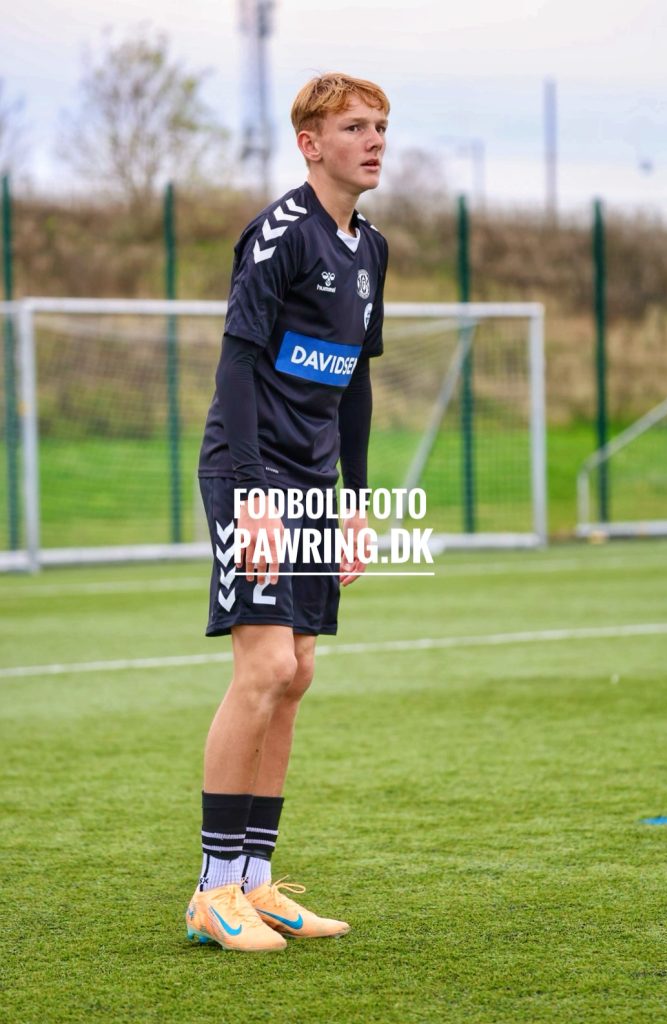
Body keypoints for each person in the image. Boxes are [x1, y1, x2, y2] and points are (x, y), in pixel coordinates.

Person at [186, 72, 390, 952]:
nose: (373, 141)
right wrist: (253, 494)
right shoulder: (278, 235)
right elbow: (236, 364)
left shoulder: (371, 248)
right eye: (354, 127)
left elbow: (354, 385)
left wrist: (354, 503)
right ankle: (211, 892)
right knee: (264, 665)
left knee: (298, 671)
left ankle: (256, 881)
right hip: (253, 471)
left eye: (379, 126)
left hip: (312, 481)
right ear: (310, 143)